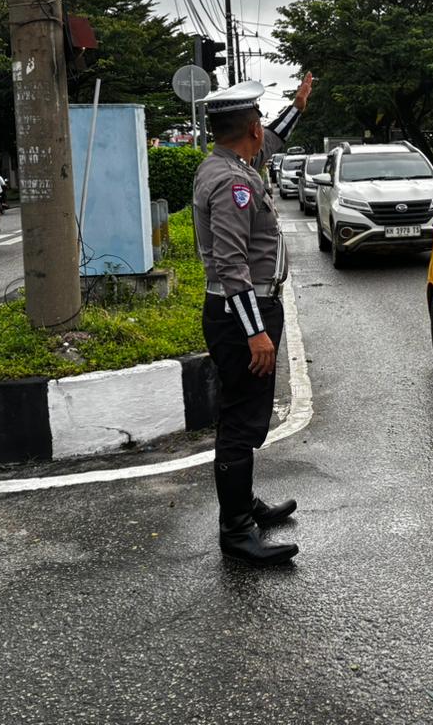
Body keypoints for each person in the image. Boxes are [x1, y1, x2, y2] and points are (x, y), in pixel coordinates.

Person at [192, 75, 311, 567]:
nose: (264, 130)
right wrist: (255, 331)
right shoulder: (233, 183)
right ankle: (237, 531)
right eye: (260, 121)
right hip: (243, 314)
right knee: (241, 423)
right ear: (252, 129)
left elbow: (271, 144)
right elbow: (230, 264)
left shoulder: (226, 164)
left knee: (242, 415)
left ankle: (244, 505)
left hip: (243, 311)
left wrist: (297, 107)